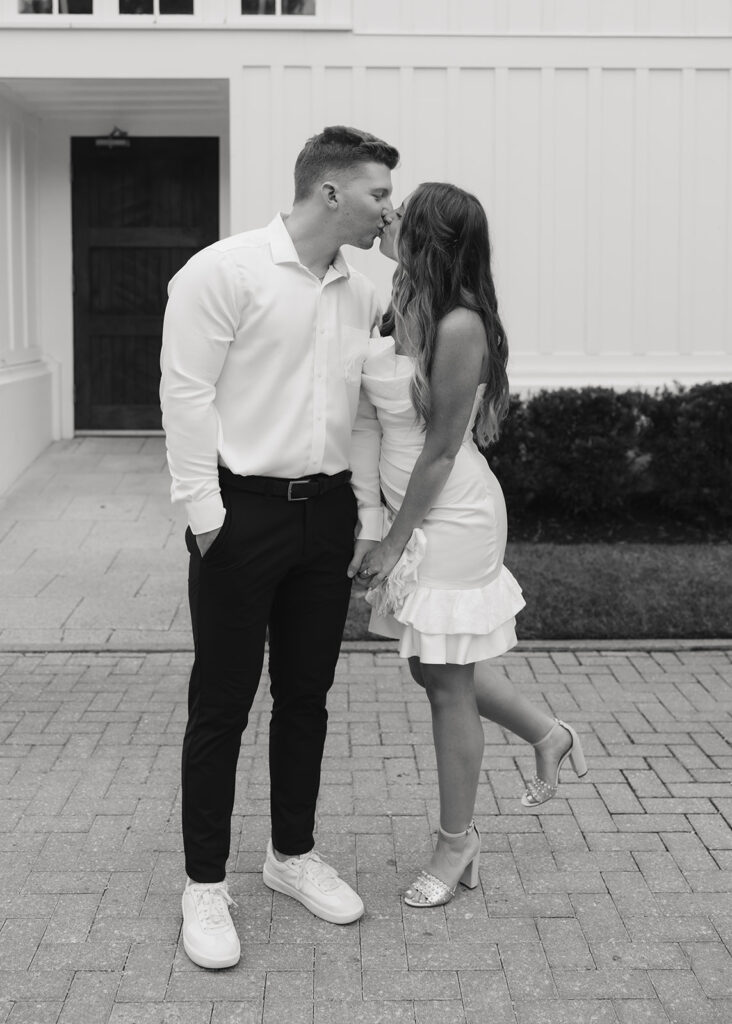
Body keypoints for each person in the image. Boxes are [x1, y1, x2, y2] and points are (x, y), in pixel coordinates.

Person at [160, 125, 398, 968]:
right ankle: (204, 884)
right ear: (330, 192)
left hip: (325, 515)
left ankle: (290, 856)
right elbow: (186, 395)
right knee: (222, 702)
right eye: (378, 194)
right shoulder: (223, 271)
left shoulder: (364, 292)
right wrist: (206, 514)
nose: (387, 212)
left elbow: (367, 413)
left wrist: (366, 517)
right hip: (240, 515)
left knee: (307, 696)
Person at [350, 183, 588, 908]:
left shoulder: (460, 325)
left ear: (432, 240)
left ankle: (457, 842)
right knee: (436, 669)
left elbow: (444, 449)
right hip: (411, 510)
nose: (388, 218)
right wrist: (376, 519)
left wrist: (392, 542)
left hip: (451, 514)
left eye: (403, 216)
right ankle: (549, 733)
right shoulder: (403, 303)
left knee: (444, 680)